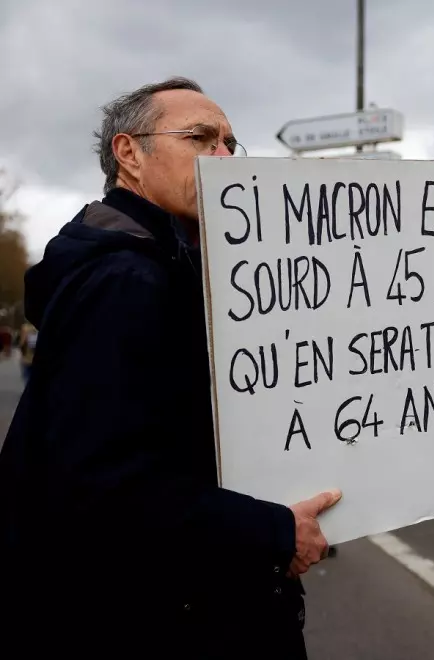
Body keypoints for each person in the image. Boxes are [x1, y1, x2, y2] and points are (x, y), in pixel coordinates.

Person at [0, 78, 341, 659]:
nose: (224, 156)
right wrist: (275, 532)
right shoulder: (127, 280)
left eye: (231, 143)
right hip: (148, 620)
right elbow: (104, 485)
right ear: (129, 154)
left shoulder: (170, 264)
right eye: (200, 138)